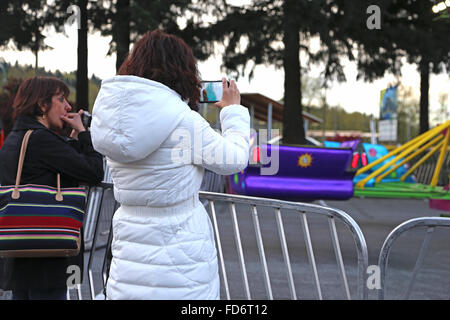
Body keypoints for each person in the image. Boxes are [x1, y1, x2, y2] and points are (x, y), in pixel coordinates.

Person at [90, 29, 250, 300]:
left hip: (129, 239)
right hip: (180, 249)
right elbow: (234, 159)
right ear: (182, 70)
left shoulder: (109, 119)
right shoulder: (182, 120)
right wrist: (232, 111)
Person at [0, 76, 104, 300]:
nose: (68, 106)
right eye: (61, 99)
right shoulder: (42, 140)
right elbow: (94, 172)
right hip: (47, 257)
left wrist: (73, 139)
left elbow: (60, 166)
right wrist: (85, 133)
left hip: (20, 254)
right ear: (42, 104)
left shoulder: (15, 138)